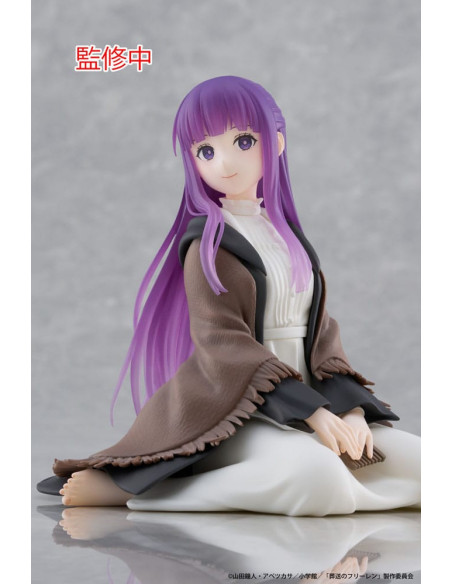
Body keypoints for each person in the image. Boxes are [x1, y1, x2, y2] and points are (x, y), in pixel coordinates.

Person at [37, 76, 420, 516]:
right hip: (238, 411)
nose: (224, 163)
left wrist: (350, 410)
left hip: (312, 401)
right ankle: (146, 495)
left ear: (276, 143)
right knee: (318, 478)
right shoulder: (209, 245)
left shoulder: (288, 237)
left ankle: (348, 488)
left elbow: (323, 337)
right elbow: (224, 344)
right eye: (206, 151)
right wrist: (312, 412)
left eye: (243, 141)